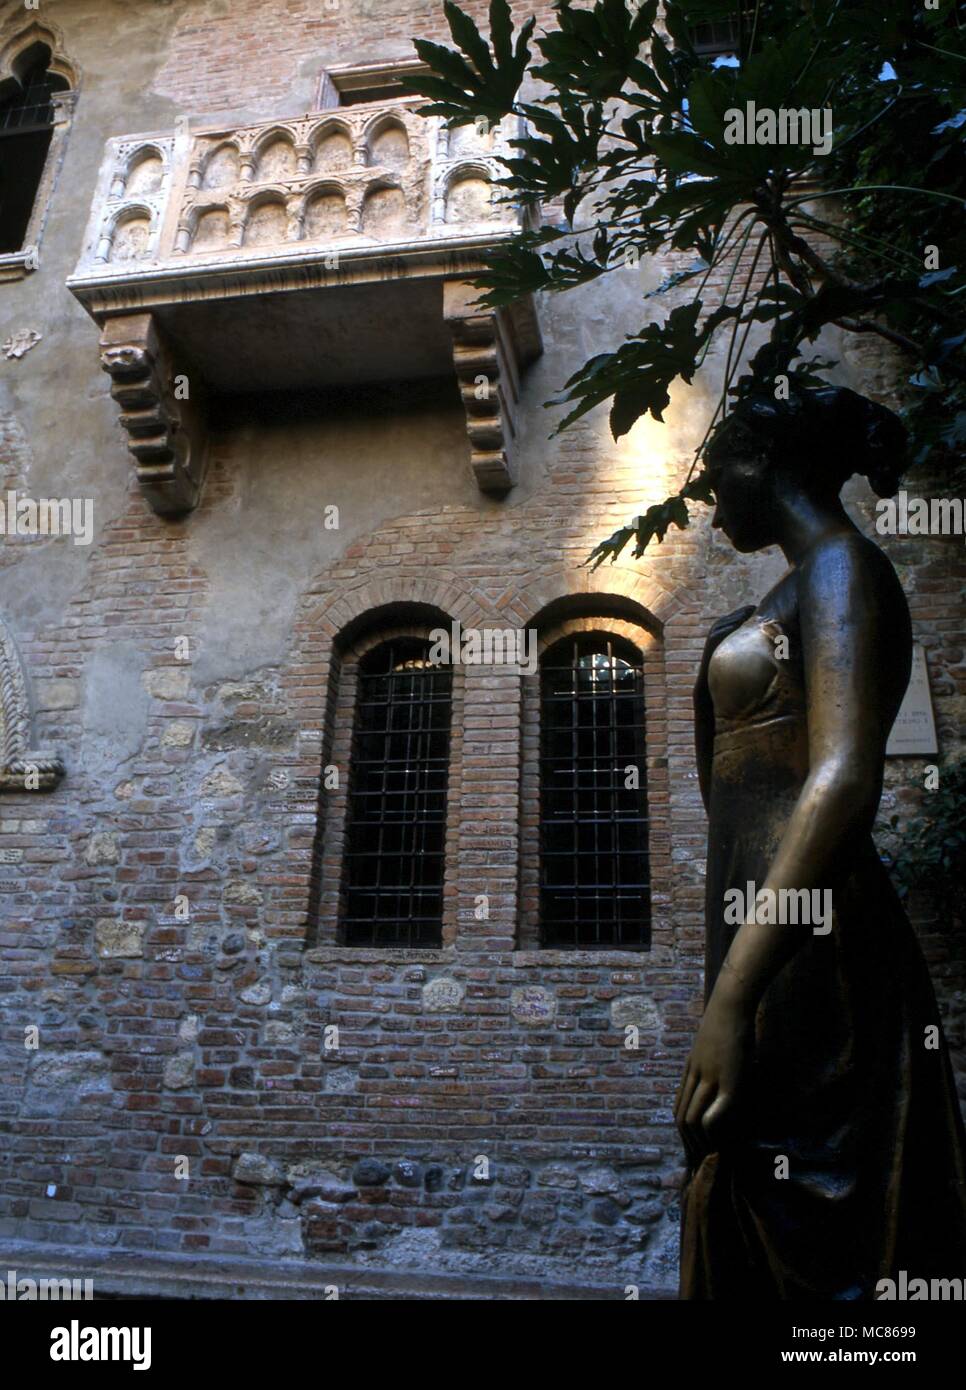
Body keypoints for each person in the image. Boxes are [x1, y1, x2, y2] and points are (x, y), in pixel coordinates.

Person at [676, 386, 966, 1299]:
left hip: (819, 943)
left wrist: (731, 999)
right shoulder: (794, 586)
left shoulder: (844, 569)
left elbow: (840, 780)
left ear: (763, 464)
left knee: (819, 1221)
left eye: (717, 469)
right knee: (750, 1172)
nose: (706, 493)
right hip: (768, 943)